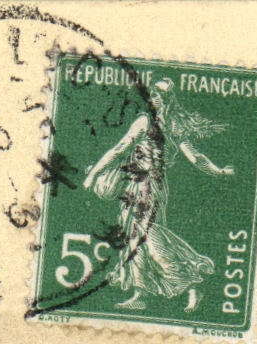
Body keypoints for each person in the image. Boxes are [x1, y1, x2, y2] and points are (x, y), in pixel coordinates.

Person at [83, 78, 234, 312]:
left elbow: (121, 149)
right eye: (151, 95)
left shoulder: (149, 123)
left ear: (166, 101)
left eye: (157, 96)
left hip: (147, 187)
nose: (152, 100)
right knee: (135, 239)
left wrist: (94, 173)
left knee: (150, 239)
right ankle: (140, 293)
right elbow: (195, 158)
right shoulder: (171, 126)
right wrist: (219, 171)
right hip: (138, 186)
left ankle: (191, 281)